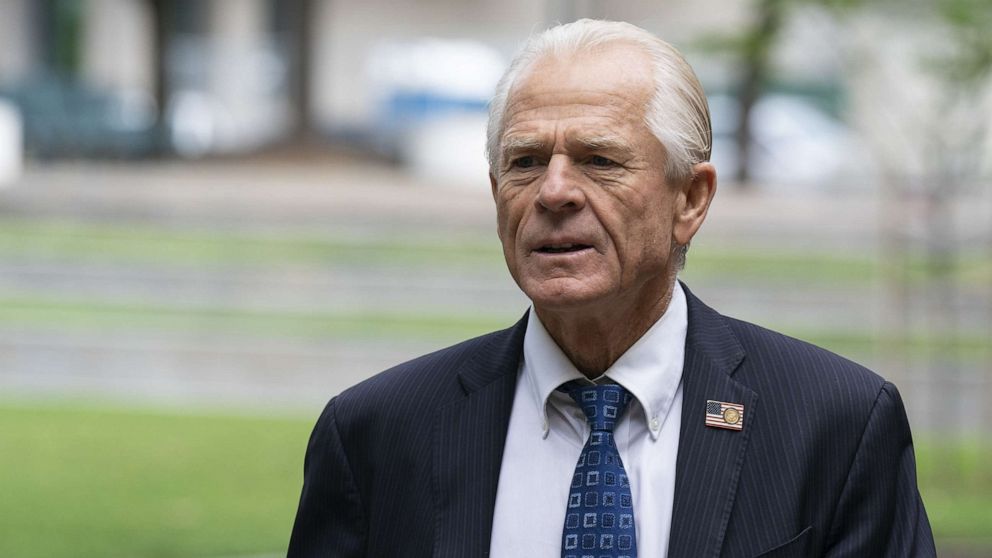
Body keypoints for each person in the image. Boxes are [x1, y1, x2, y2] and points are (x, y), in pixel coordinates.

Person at [288, 19, 935, 558]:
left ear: (691, 198)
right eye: (525, 162)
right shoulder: (376, 434)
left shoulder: (835, 424)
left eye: (599, 159)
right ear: (495, 196)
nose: (555, 192)